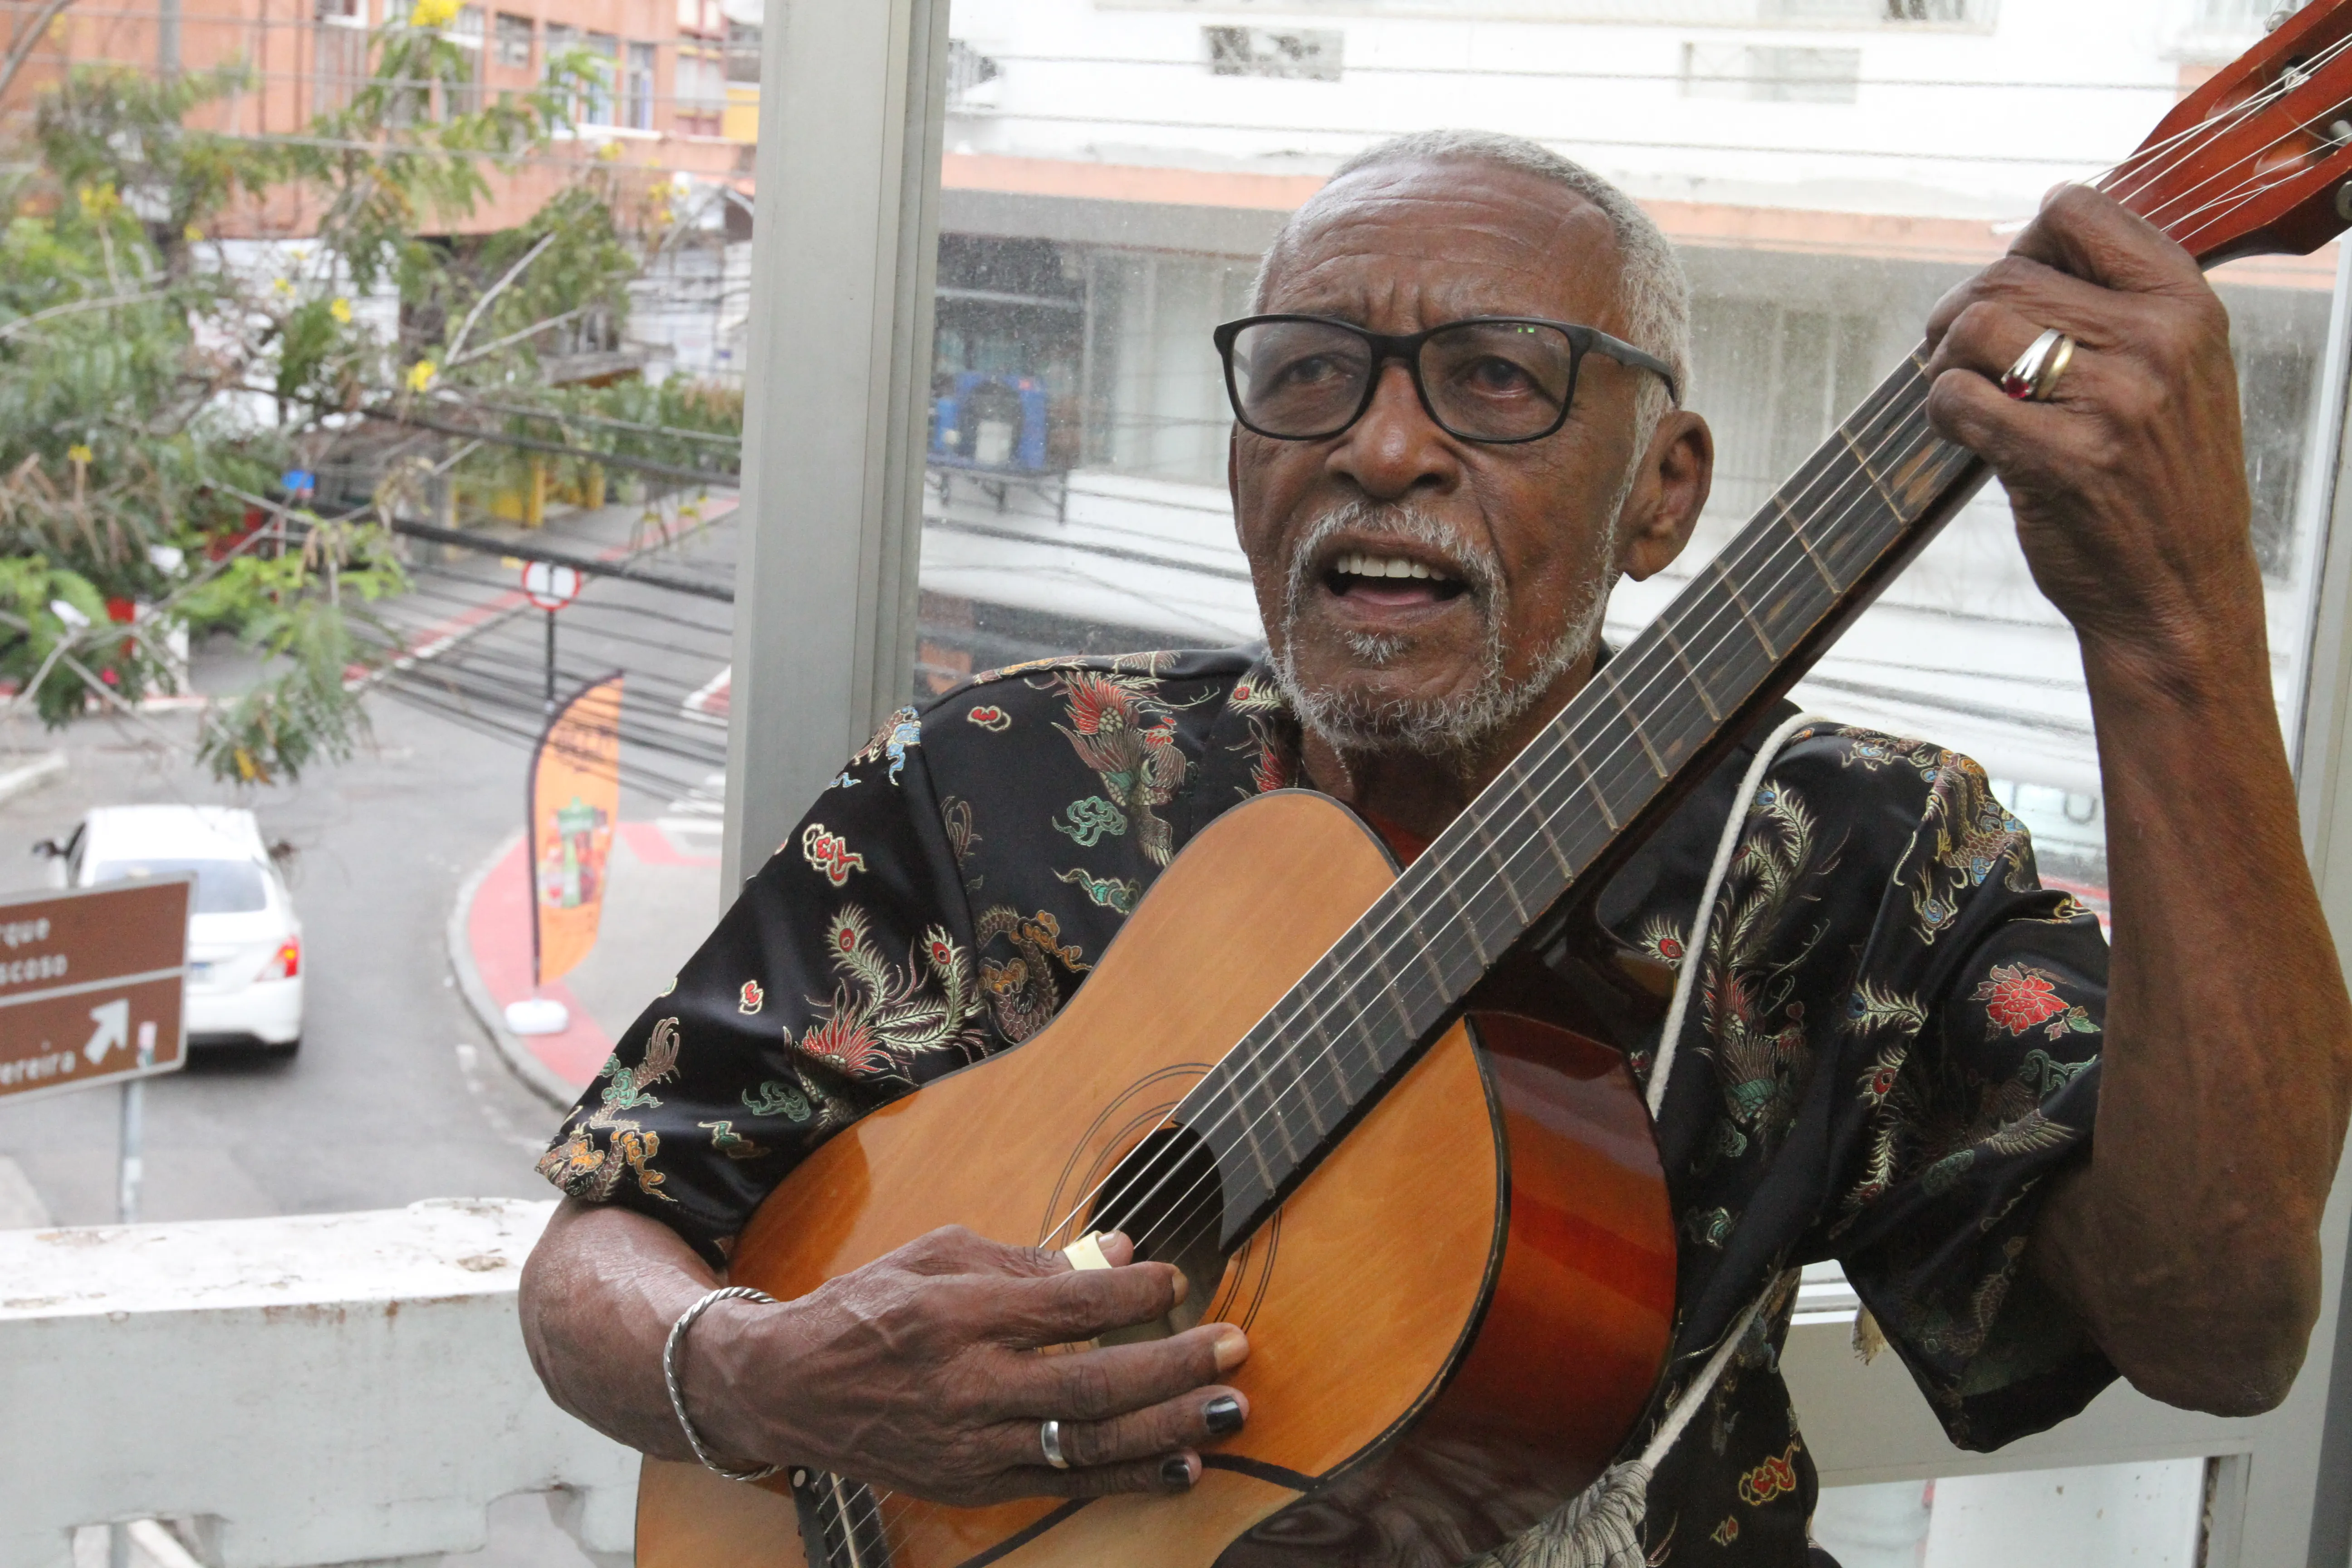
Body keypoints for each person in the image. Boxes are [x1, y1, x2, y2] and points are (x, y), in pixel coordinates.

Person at [518, 130, 2352, 1564]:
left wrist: (2176, 633)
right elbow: (609, 1237)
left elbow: (2222, 1330)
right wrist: (766, 1379)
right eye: (1310, 376)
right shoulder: (1001, 776)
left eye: (1496, 380)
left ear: (1668, 490)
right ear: (1246, 464)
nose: (1381, 445)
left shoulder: (1850, 856)